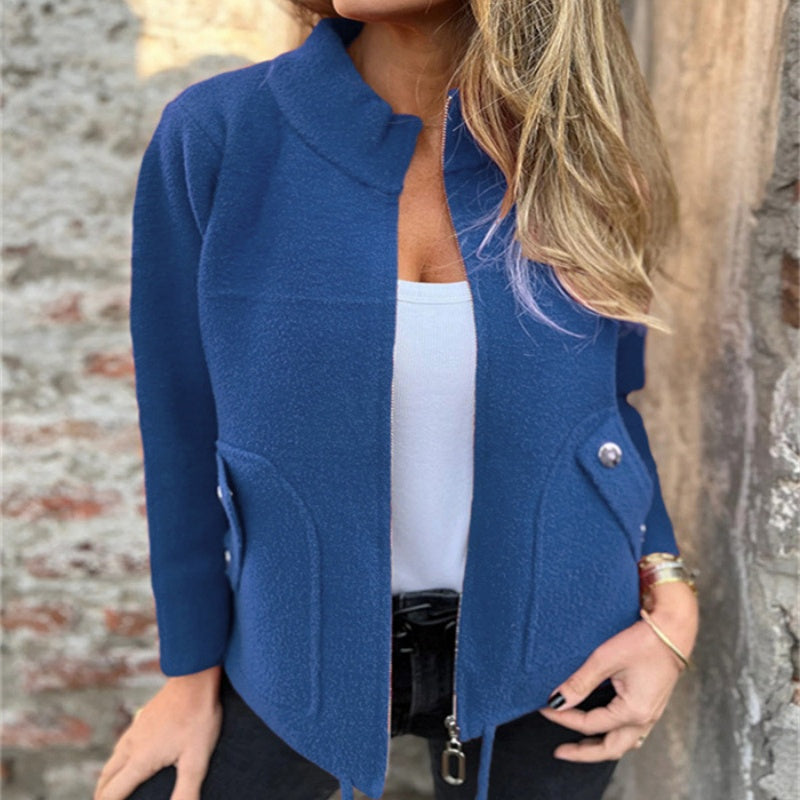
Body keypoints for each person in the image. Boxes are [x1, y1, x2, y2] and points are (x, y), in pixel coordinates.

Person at [93, 2, 700, 799]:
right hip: (296, 646)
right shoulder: (219, 136)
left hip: (559, 654)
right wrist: (189, 676)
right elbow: (179, 428)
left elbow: (612, 412)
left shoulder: (581, 153)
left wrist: (669, 595)